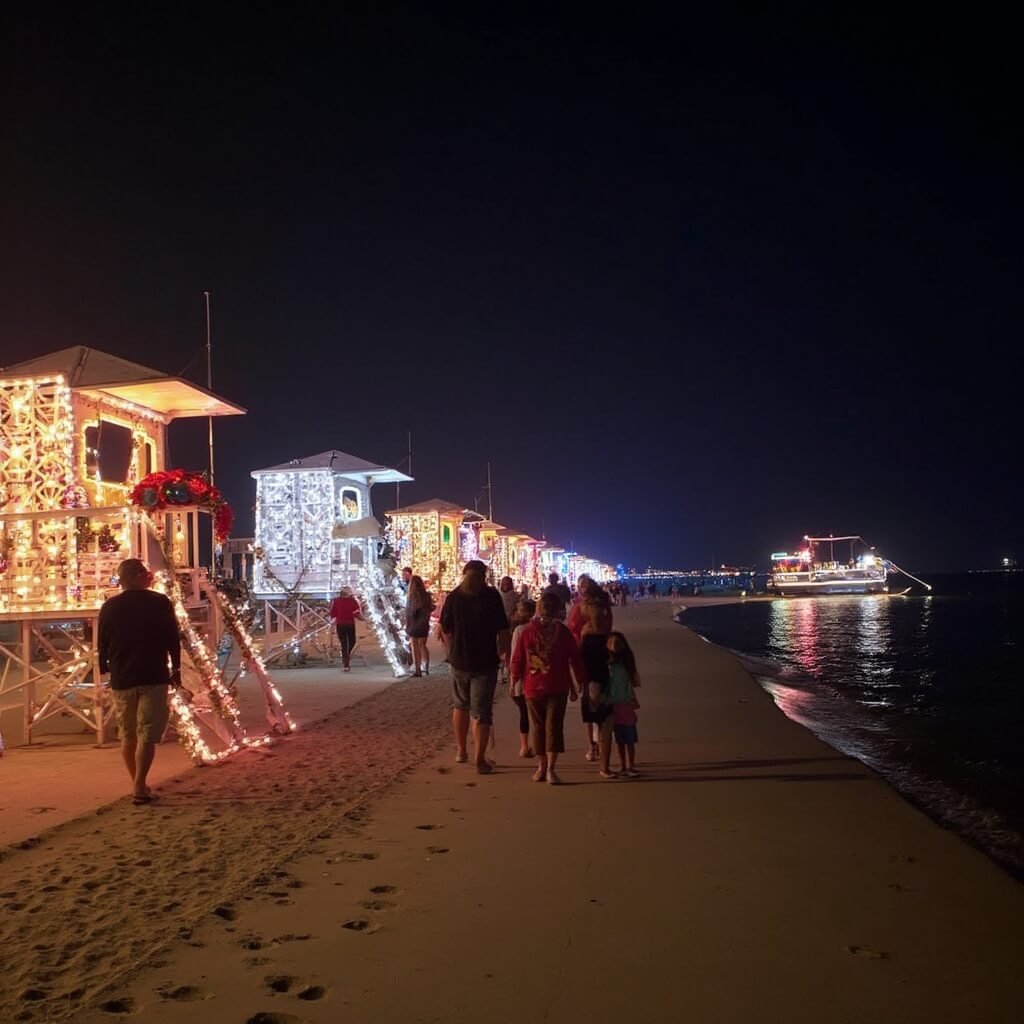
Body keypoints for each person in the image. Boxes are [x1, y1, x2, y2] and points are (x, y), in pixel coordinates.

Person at [98, 558, 187, 805]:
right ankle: (139, 785)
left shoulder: (110, 606)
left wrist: (106, 666)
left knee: (128, 734)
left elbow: (102, 644)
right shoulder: (159, 602)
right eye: (147, 573)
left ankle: (137, 783)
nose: (151, 576)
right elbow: (172, 639)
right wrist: (176, 669)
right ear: (137, 576)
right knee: (147, 732)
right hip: (153, 674)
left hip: (123, 676)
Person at [439, 560, 510, 774]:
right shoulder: (491, 596)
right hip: (485, 661)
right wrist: (503, 653)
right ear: (484, 575)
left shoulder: (454, 597)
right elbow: (503, 630)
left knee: (460, 706)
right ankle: (479, 759)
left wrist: (450, 651)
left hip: (459, 660)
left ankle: (461, 751)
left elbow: (445, 628)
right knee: (481, 712)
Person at [509, 592, 585, 785]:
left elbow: (573, 658)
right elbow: (574, 657)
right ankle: (546, 767)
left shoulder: (553, 631)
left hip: (547, 686)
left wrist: (514, 680)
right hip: (542, 687)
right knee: (549, 728)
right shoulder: (533, 631)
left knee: (544, 728)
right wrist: (578, 680)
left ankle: (545, 767)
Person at [579, 595, 614, 774]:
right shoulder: (604, 630)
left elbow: (581, 657)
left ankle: (592, 747)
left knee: (592, 715)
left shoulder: (585, 631)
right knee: (603, 717)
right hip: (602, 676)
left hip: (589, 677)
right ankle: (600, 753)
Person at [607, 631, 641, 777]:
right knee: (620, 740)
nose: (615, 646)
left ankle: (630, 766)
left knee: (630, 740)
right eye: (612, 643)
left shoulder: (625, 663)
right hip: (613, 704)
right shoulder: (608, 664)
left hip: (625, 703)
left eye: (617, 643)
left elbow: (631, 683)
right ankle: (623, 765)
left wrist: (633, 699)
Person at [507, 597, 537, 758]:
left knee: (524, 713)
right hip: (536, 676)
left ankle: (524, 746)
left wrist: (513, 680)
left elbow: (515, 657)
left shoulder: (519, 631)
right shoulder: (537, 628)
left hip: (522, 678)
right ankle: (538, 745)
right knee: (537, 715)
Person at [405, 574, 434, 677]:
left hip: (414, 624)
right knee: (423, 645)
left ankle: (418, 669)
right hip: (424, 623)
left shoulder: (411, 596)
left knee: (414, 646)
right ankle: (426, 667)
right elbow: (430, 608)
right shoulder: (427, 595)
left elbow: (409, 612)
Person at [329, 587, 363, 671]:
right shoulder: (352, 601)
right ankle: (346, 660)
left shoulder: (336, 601)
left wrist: (334, 619)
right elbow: (356, 612)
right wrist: (362, 618)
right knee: (351, 641)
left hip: (341, 624)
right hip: (349, 624)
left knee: (344, 643)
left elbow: (333, 613)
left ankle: (345, 658)